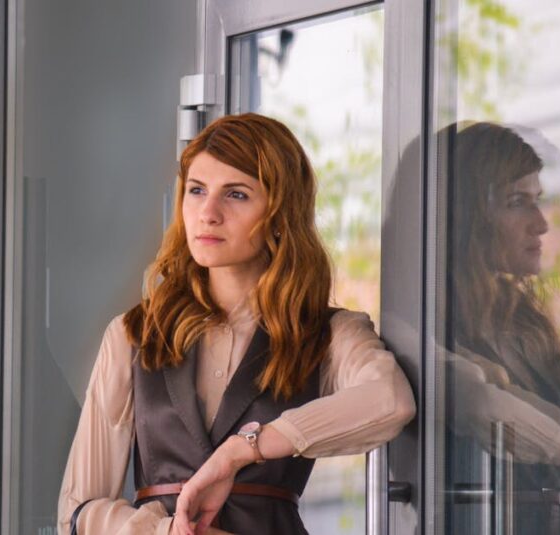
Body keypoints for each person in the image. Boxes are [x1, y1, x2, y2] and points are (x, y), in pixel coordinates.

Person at [56, 113, 416, 535]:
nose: (208, 213)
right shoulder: (133, 334)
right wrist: (161, 532)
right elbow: (76, 512)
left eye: (237, 195)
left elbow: (391, 402)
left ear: (281, 214)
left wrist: (243, 450)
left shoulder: (330, 332)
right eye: (196, 191)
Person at [441, 121, 560, 534]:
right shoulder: (438, 330)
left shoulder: (527, 325)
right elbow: (484, 403)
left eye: (538, 200)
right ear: (471, 217)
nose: (542, 223)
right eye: (517, 202)